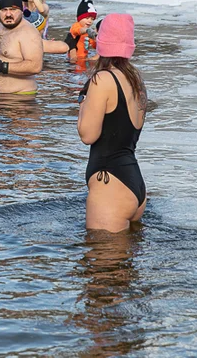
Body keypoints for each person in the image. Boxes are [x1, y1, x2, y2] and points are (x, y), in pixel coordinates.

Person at [77, 14, 146, 232]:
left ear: (101, 42)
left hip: (110, 184)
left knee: (101, 263)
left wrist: (83, 103)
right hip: (133, 181)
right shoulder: (136, 81)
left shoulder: (102, 79)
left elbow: (87, 135)